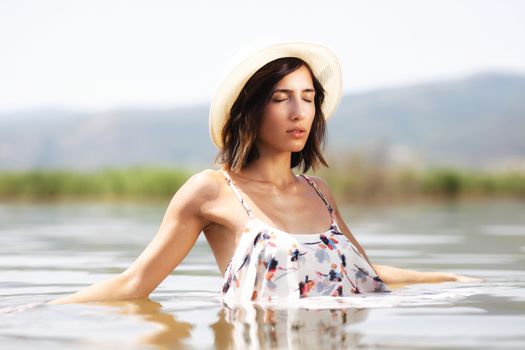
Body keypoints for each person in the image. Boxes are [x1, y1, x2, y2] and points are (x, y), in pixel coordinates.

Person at [51, 41, 478, 304]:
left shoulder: (319, 190)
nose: (299, 112)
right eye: (281, 98)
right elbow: (135, 284)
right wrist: (39, 310)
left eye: (308, 97)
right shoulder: (211, 190)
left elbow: (365, 273)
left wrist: (448, 280)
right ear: (251, 109)